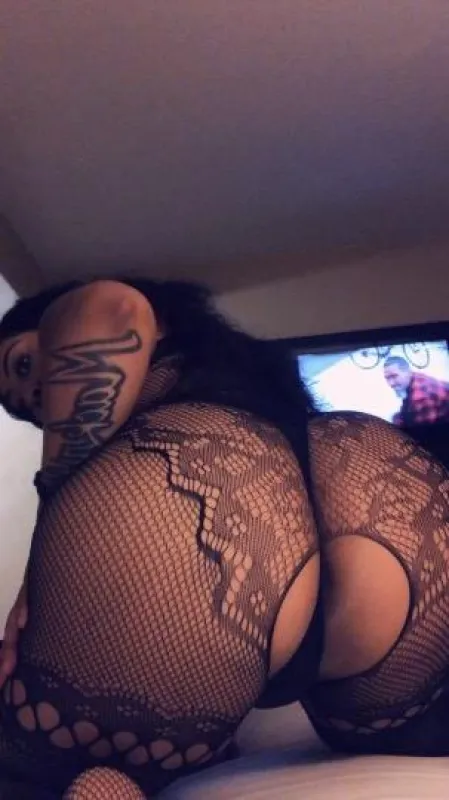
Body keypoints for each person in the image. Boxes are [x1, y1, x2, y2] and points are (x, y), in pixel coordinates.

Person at [0, 279, 449, 798]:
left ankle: (115, 775)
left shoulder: (131, 355)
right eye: (26, 407)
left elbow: (112, 305)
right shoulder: (257, 385)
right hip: (382, 498)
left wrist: (49, 524)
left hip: (193, 494)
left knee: (45, 762)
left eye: (23, 364)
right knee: (421, 728)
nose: (37, 398)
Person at [383, 355, 449, 426]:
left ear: (408, 372)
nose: (391, 383)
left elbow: (423, 429)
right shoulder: (416, 379)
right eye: (387, 378)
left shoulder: (421, 395)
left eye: (394, 376)